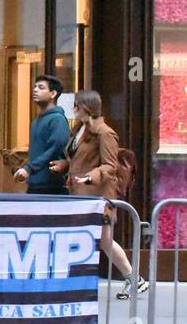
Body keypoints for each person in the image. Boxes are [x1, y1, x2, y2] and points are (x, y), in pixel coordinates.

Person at [48, 89, 146, 299]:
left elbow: (109, 165)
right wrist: (63, 165)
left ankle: (133, 278)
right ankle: (133, 278)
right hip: (81, 193)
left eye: (76, 106)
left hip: (97, 195)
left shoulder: (105, 133)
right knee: (99, 239)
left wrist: (90, 177)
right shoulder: (81, 130)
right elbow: (79, 159)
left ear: (87, 108)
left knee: (104, 239)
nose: (73, 110)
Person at [13, 74, 70, 195]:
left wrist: (29, 168)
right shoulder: (36, 121)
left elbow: (54, 149)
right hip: (34, 184)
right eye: (34, 87)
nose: (35, 90)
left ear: (53, 94)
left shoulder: (57, 119)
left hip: (51, 186)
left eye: (41, 87)